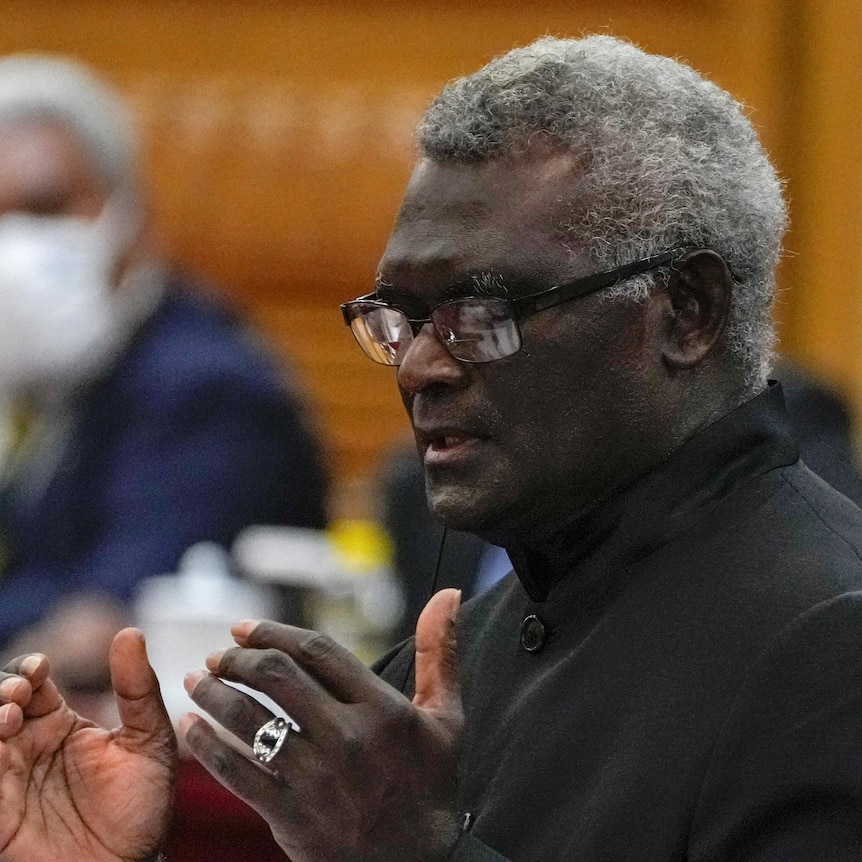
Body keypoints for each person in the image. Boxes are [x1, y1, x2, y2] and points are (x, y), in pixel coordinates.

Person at [5, 33, 862, 861]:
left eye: (481, 313)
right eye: (402, 317)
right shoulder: (461, 640)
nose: (418, 365)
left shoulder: (831, 647)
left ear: (687, 312)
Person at [0, 55, 329, 690]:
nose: (14, 247)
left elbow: (102, 625)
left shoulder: (209, 391)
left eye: (44, 210)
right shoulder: (51, 379)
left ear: (134, 220)